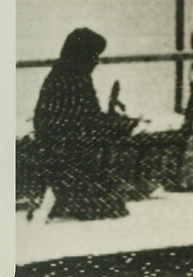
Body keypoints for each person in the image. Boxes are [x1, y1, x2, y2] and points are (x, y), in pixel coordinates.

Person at [33, 28, 137, 219]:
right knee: (110, 209)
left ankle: (72, 201)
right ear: (81, 55)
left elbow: (88, 117)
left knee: (114, 205)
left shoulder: (73, 76)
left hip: (72, 152)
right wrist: (113, 125)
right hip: (64, 157)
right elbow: (78, 122)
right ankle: (69, 202)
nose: (96, 60)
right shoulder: (67, 80)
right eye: (94, 55)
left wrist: (112, 123)